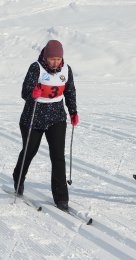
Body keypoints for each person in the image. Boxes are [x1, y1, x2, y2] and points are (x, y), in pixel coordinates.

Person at [13, 40, 79, 210]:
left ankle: (61, 198)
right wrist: (32, 92)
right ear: (45, 56)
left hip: (56, 118)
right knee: (29, 152)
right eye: (52, 59)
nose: (55, 62)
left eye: (58, 59)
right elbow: (24, 91)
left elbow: (70, 91)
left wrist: (73, 111)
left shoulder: (66, 70)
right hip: (33, 117)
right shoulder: (36, 67)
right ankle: (18, 178)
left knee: (58, 157)